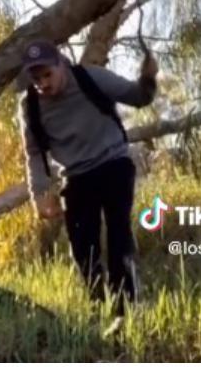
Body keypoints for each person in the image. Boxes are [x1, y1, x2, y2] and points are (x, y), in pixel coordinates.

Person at [18, 39, 158, 315]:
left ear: (62, 65)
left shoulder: (89, 77)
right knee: (83, 248)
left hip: (113, 164)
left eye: (47, 74)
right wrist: (39, 196)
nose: (43, 84)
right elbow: (33, 153)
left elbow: (139, 98)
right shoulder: (30, 105)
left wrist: (149, 77)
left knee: (119, 236)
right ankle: (98, 306)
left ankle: (126, 308)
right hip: (76, 177)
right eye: (36, 79)